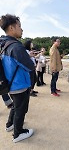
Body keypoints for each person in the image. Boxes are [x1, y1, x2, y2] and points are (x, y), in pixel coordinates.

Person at [0, 14, 34, 143]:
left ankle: (10, 125)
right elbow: (30, 66)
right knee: (21, 109)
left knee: (15, 106)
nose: (21, 29)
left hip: (10, 83)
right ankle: (18, 134)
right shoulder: (16, 46)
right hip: (19, 84)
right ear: (11, 28)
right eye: (19, 26)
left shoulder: (4, 44)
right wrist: (30, 57)